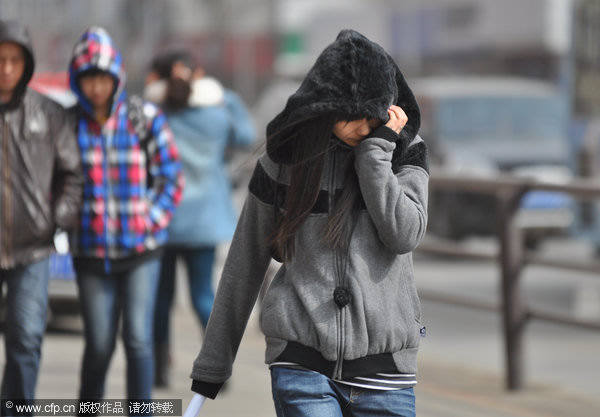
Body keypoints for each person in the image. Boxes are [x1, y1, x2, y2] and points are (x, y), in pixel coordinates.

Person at [189, 29, 429, 417]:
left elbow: (404, 234)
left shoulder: (404, 152)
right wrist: (213, 366)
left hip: (385, 371)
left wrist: (376, 157)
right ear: (325, 106)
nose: (361, 127)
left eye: (371, 116)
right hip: (301, 362)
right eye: (349, 116)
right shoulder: (284, 161)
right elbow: (245, 261)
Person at [67, 27, 183, 403]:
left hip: (140, 252)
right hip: (90, 252)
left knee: (137, 338)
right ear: (78, 81)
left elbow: (171, 178)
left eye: (103, 78)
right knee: (99, 343)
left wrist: (149, 219)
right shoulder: (68, 125)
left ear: (116, 75)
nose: (96, 88)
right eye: (88, 79)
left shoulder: (143, 117)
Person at [143, 50, 256, 387]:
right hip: (205, 220)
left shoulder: (156, 112)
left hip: (162, 219)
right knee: (203, 296)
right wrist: (226, 98)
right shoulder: (218, 112)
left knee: (160, 299)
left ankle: (159, 368)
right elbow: (246, 137)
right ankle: (217, 368)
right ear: (200, 75)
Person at [0, 19, 83, 413]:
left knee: (26, 338)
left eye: (14, 60)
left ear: (26, 63)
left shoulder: (49, 114)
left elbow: (73, 175)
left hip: (32, 248)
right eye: (0, 59)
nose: (6, 69)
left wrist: (56, 218)